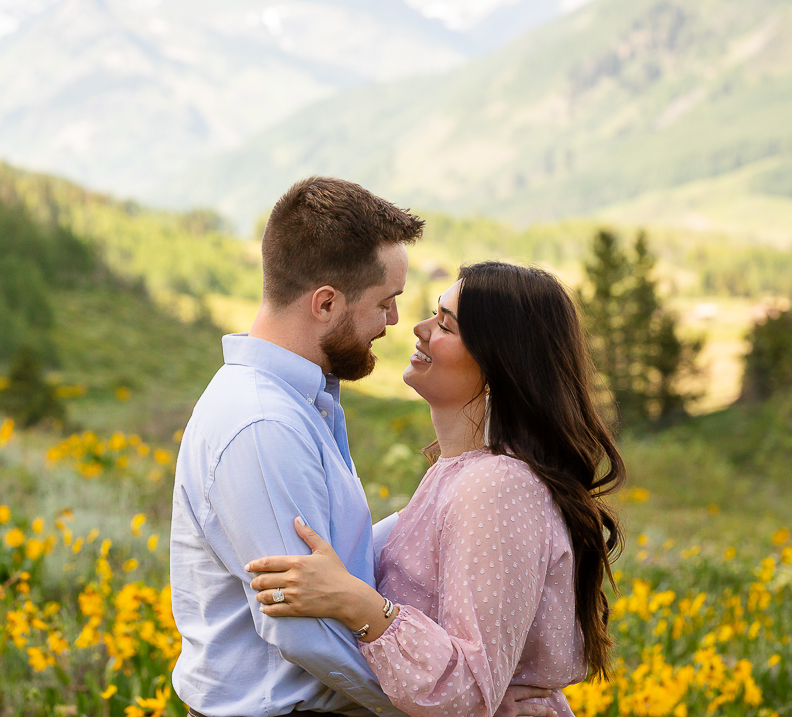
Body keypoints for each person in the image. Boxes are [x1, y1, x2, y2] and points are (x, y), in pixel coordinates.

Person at [170, 180, 560, 717]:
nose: (399, 323)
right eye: (386, 302)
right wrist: (456, 707)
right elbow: (306, 632)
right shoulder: (264, 425)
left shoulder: (306, 406)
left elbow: (340, 560)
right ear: (326, 303)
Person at [245, 262, 625, 717]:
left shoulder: (498, 485)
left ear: (500, 363)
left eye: (446, 324)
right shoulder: (458, 474)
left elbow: (466, 690)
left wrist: (357, 603)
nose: (419, 329)